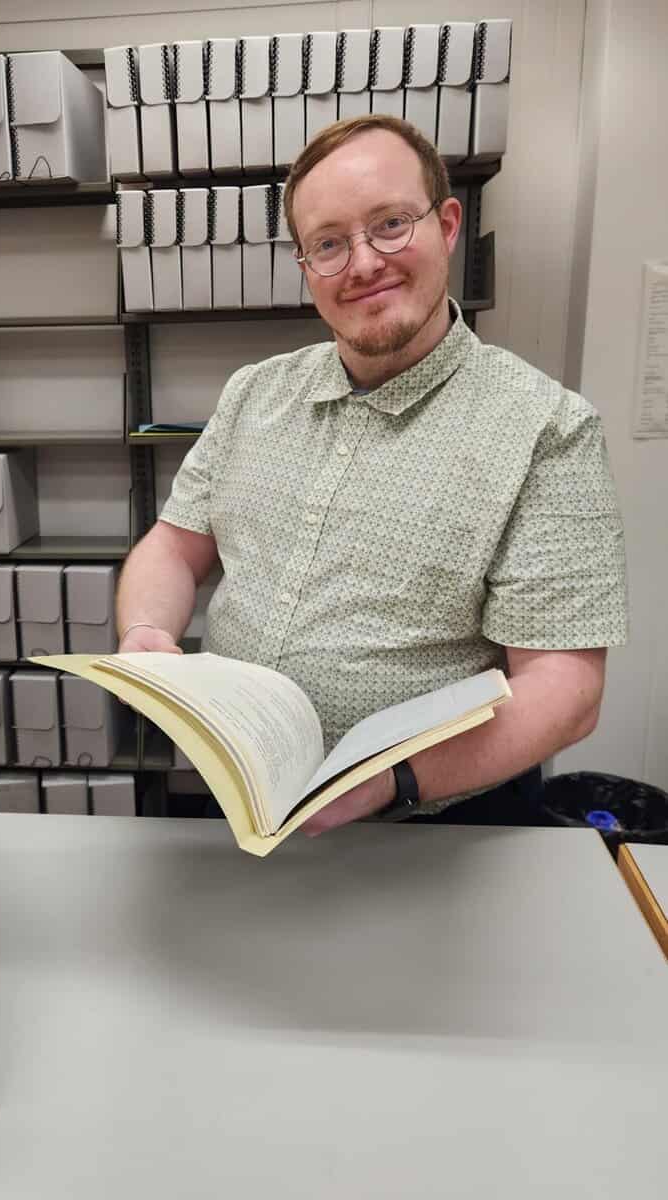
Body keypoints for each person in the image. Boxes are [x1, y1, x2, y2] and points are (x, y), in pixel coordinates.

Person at [115, 114, 628, 834]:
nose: (361, 264)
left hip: (437, 824)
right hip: (237, 786)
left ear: (446, 225)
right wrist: (145, 629)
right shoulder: (253, 394)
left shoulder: (545, 428)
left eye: (389, 224)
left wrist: (391, 778)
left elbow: (565, 685)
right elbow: (173, 546)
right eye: (327, 243)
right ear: (304, 265)